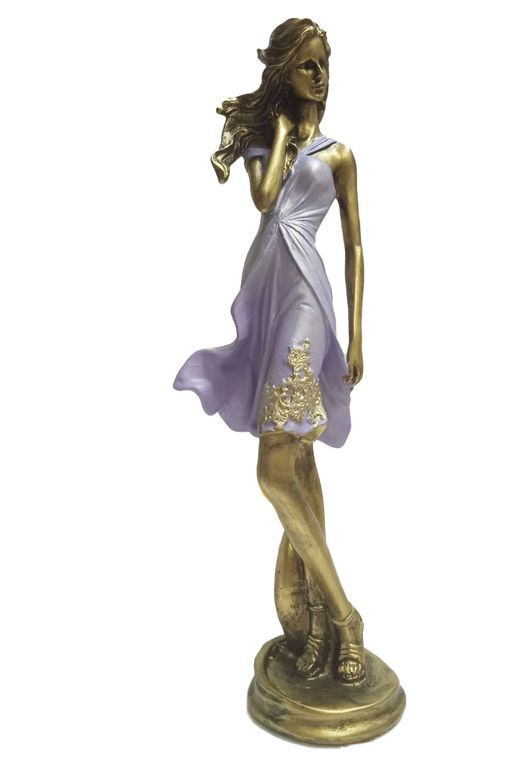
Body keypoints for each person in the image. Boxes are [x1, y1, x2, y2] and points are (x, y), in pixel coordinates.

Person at [173, 18, 366, 683]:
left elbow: (356, 244)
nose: (321, 74)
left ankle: (344, 616)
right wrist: (280, 132)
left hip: (307, 296)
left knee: (273, 468)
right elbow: (263, 200)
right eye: (308, 65)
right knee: (297, 460)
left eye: (325, 63)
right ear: (286, 71)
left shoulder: (341, 155)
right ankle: (319, 620)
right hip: (266, 290)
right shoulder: (266, 141)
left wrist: (359, 332)